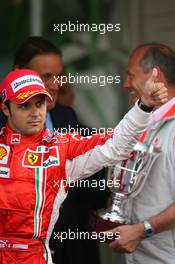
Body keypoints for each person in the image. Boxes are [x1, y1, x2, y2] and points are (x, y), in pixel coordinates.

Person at [0, 66, 167, 264]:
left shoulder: (60, 148)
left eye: (39, 103)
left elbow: (115, 145)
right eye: (24, 105)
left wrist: (144, 107)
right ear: (5, 109)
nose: (35, 112)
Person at [11, 36, 108, 264]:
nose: (56, 85)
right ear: (18, 73)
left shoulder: (66, 115)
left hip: (69, 247)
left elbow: (85, 184)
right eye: (45, 77)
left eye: (59, 75)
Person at [105, 43, 175, 264]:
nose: (125, 84)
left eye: (130, 75)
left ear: (156, 76)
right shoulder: (140, 121)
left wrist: (142, 230)